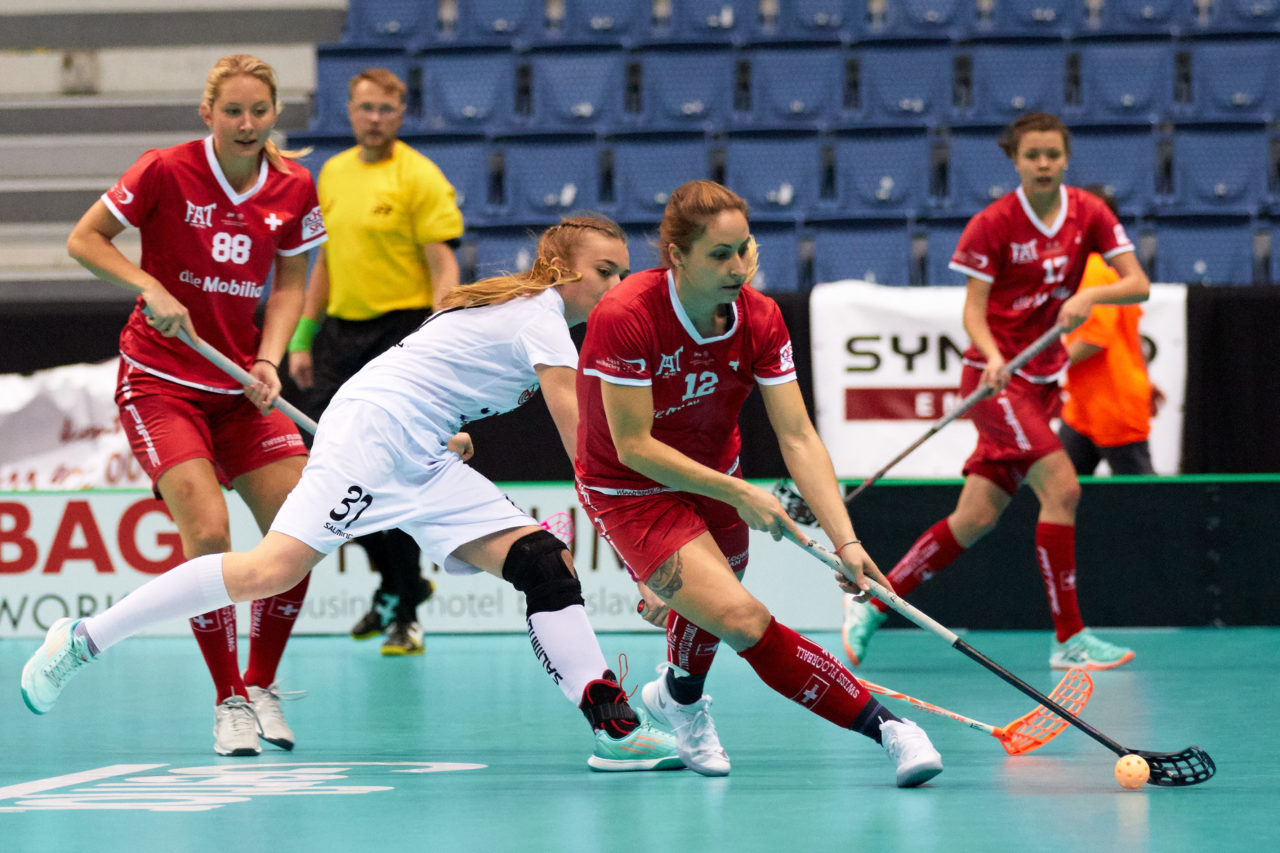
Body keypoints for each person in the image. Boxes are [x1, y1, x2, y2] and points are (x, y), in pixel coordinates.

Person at [23, 215, 683, 773]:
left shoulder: (530, 316)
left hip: (419, 447)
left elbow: (428, 369)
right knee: (269, 570)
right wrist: (644, 566)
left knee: (542, 561)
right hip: (375, 435)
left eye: (625, 274)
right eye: (606, 271)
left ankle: (613, 725)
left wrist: (441, 430)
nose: (618, 286)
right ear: (563, 270)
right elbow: (585, 452)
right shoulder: (541, 317)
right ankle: (81, 639)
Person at [573, 180, 943, 786]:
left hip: (716, 470)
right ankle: (893, 731)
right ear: (677, 256)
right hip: (629, 487)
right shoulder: (627, 315)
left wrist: (846, 541)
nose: (739, 266)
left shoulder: (762, 318)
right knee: (742, 618)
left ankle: (678, 699)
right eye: (720, 254)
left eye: (744, 248)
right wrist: (741, 493)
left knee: (713, 604)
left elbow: (798, 437)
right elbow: (633, 445)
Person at [60, 54, 326, 756]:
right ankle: (228, 698)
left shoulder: (295, 186)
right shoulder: (164, 169)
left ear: (275, 113)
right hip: (161, 381)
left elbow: (291, 283)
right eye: (232, 110)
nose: (247, 123)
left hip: (240, 388)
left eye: (259, 110)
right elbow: (84, 239)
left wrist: (269, 358)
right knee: (208, 534)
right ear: (207, 113)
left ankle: (260, 682)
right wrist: (148, 285)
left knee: (301, 527)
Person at [841, 113, 1150, 672]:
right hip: (995, 380)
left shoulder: (1089, 213)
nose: (1043, 164)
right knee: (1064, 488)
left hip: (1040, 382)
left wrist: (1090, 298)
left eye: (1053, 154)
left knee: (976, 516)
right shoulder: (993, 223)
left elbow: (1138, 283)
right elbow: (973, 311)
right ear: (1015, 160)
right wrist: (993, 355)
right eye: (1032, 155)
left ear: (1066, 157)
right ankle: (1070, 639)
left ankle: (874, 604)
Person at [287, 68, 464, 656]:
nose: (374, 118)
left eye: (386, 109)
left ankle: (403, 615)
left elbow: (443, 266)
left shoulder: (420, 176)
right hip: (341, 336)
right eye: (365, 107)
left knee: (391, 469)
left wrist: (438, 340)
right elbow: (325, 262)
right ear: (349, 110)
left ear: (401, 114)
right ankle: (399, 582)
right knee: (323, 463)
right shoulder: (333, 173)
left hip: (401, 333)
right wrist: (303, 335)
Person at [1058, 185, 1165, 476]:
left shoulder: (1092, 269)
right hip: (1085, 408)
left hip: (1112, 406)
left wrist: (1046, 366)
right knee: (1059, 487)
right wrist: (1145, 380)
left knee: (1143, 495)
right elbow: (1131, 338)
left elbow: (1095, 339)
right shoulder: (1114, 273)